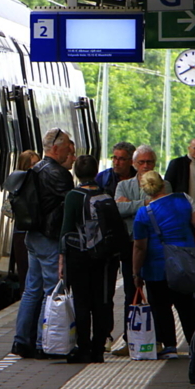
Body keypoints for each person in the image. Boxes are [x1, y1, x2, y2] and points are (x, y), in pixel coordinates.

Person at [114, 145, 189, 348]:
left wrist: (132, 204)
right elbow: (118, 209)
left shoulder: (166, 185)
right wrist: (146, 202)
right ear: (134, 164)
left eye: (149, 162)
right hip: (132, 244)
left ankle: (164, 341)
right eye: (141, 162)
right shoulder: (123, 185)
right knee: (132, 293)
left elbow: (161, 206)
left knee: (165, 297)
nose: (146, 166)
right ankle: (132, 339)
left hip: (159, 249)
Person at [11, 129, 74, 359]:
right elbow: (68, 208)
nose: (70, 150)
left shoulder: (34, 169)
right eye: (67, 146)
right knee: (50, 292)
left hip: (32, 236)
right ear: (56, 148)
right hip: (48, 238)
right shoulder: (58, 173)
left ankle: (21, 341)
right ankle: (42, 342)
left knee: (31, 291)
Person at [59, 155, 125, 363]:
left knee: (82, 302)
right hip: (105, 258)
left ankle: (84, 347)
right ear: (96, 172)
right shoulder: (106, 195)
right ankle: (98, 349)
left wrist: (62, 261)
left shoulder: (73, 196)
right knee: (102, 302)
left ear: (76, 173)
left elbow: (66, 230)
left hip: (79, 257)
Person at [132, 171, 195, 359]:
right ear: (163, 183)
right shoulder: (184, 199)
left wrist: (136, 272)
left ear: (145, 190)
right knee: (186, 305)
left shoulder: (143, 213)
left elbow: (140, 247)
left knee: (161, 306)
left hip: (157, 267)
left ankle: (170, 346)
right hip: (183, 263)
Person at [10, 150, 41, 288]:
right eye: (32, 165)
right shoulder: (18, 183)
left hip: (35, 233)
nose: (35, 168)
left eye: (37, 164)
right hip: (22, 233)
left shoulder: (40, 182)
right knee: (26, 277)